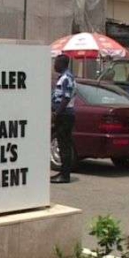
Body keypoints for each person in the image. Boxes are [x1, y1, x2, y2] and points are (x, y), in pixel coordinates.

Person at [51, 54, 76, 184]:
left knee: (64, 145)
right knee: (62, 144)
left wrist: (57, 113)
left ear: (62, 64)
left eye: (56, 63)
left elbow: (66, 98)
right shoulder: (63, 77)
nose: (54, 65)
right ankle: (62, 172)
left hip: (65, 115)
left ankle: (65, 175)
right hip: (63, 114)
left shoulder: (66, 78)